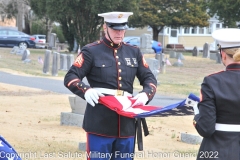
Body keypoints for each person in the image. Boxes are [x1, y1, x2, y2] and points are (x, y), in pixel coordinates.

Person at [64, 11, 157, 160]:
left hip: (127, 124)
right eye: (115, 28)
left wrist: (146, 94)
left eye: (122, 29)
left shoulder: (134, 52)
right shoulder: (91, 51)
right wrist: (86, 90)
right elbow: (71, 76)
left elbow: (150, 79)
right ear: (105, 27)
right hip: (100, 122)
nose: (119, 33)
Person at [193, 28, 240, 160]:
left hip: (217, 151)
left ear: (223, 54)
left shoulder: (211, 81)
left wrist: (196, 115)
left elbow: (205, 128)